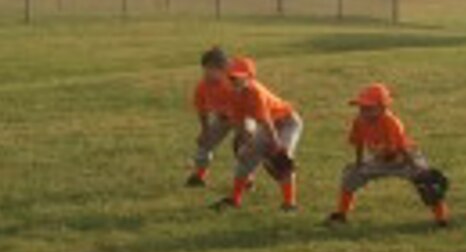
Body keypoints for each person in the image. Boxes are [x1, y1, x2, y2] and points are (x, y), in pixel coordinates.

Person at [324, 83, 450, 228]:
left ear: (383, 107)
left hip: (405, 158)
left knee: (427, 183)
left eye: (369, 108)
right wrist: (359, 163)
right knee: (350, 176)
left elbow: (401, 148)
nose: (364, 111)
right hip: (381, 158)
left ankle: (442, 218)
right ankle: (341, 214)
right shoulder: (359, 121)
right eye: (361, 107)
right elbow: (358, 142)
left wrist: (416, 168)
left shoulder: (391, 122)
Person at [213, 56, 303, 211]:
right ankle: (234, 199)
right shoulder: (234, 93)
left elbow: (266, 122)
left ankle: (289, 204)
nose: (233, 80)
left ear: (250, 77)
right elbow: (239, 121)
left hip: (287, 123)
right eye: (231, 77)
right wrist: (245, 140)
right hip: (268, 125)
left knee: (282, 160)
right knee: (246, 158)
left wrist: (275, 147)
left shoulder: (256, 92)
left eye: (238, 77)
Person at [184, 45, 236, 187]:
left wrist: (246, 129)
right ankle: (199, 176)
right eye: (206, 68)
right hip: (223, 118)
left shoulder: (232, 84)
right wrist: (205, 130)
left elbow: (249, 105)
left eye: (212, 69)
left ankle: (247, 179)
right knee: (205, 144)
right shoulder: (202, 86)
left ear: (223, 69)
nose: (207, 72)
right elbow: (202, 110)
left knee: (244, 145)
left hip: (242, 117)